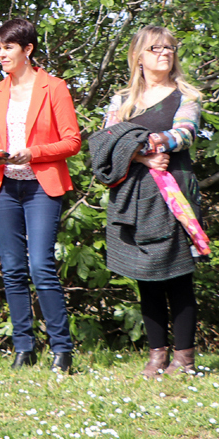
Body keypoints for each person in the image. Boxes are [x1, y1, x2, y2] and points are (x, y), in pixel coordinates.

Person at [97, 25, 203, 377]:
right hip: (133, 197)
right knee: (145, 276)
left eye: (170, 47)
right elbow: (106, 144)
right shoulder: (121, 100)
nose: (165, 53)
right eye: (156, 48)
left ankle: (184, 358)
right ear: (139, 56)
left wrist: (150, 142)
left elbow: (184, 134)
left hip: (173, 195)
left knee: (178, 276)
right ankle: (157, 355)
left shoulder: (186, 96)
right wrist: (141, 156)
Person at [0, 18, 81, 372]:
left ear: (28, 50)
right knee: (12, 269)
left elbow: (72, 142)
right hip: (4, 186)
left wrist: (32, 153)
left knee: (40, 266)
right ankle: (24, 349)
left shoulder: (54, 88)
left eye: (8, 47)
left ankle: (62, 350)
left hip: (42, 187)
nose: (1, 53)